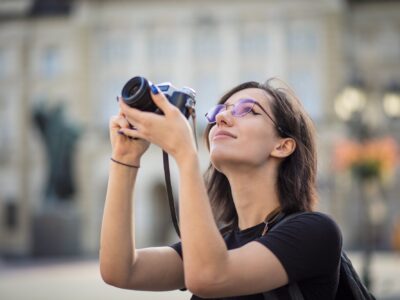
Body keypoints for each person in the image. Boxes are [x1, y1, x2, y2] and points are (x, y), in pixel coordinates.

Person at [100, 79, 342, 299]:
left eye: (248, 110)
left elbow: (209, 277)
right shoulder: (217, 245)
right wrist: (125, 157)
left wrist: (185, 154)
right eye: (219, 111)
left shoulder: (315, 232)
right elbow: (120, 271)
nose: (222, 119)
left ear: (283, 146)